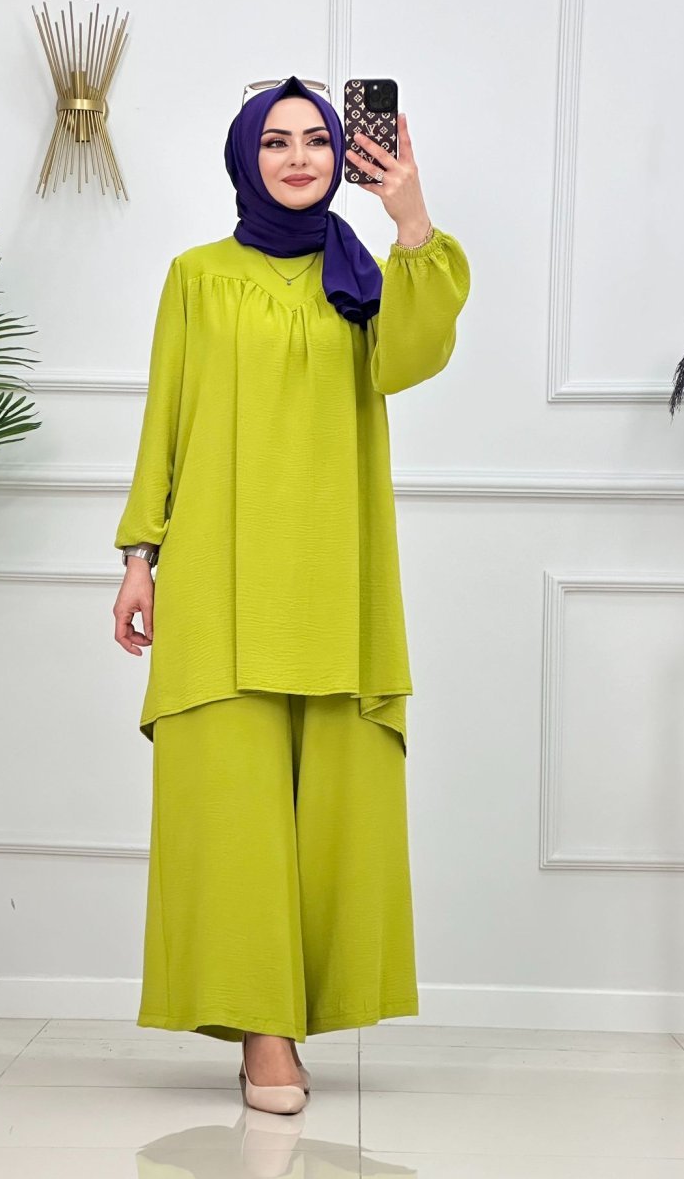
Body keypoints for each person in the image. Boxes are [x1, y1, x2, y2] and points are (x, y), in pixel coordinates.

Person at [112, 75, 470, 1114]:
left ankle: (307, 1010)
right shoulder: (197, 277)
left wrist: (410, 218)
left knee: (334, 808)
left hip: (334, 576)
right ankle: (264, 1034)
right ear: (245, 157)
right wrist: (139, 553)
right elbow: (166, 415)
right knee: (233, 808)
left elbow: (414, 359)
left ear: (341, 156)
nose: (300, 156)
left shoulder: (366, 277)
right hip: (220, 577)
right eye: (276, 141)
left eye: (318, 139)